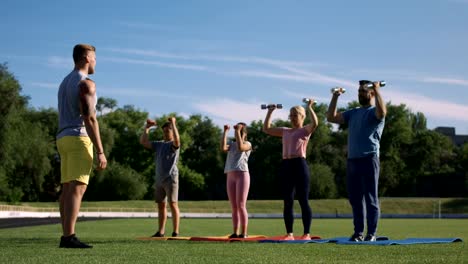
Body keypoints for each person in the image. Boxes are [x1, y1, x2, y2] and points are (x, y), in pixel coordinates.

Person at [56, 44, 107, 248]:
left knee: (68, 188)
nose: (95, 62)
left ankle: (66, 234)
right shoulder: (86, 83)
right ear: (87, 58)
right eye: (94, 58)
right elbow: (90, 118)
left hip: (63, 138)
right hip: (78, 138)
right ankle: (69, 237)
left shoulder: (65, 81)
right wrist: (101, 151)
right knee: (78, 188)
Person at [326, 80, 386, 242]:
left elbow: (382, 113)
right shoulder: (354, 112)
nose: (360, 94)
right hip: (353, 160)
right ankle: (358, 233)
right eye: (359, 92)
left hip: (369, 158)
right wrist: (335, 97)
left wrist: (377, 90)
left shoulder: (375, 111)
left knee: (371, 198)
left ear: (371, 94)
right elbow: (331, 117)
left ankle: (371, 233)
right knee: (355, 199)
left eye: (363, 92)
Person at [263, 99, 318, 240]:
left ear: (302, 116)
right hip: (286, 166)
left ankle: (306, 234)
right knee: (288, 201)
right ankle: (290, 234)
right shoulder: (285, 131)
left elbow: (315, 123)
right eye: (291, 115)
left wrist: (309, 107)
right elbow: (266, 129)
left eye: (295, 115)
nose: (292, 118)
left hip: (300, 165)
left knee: (303, 200)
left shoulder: (305, 130)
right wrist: (270, 111)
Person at [140, 117, 181, 237]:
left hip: (171, 178)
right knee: (161, 205)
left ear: (172, 131)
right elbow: (144, 142)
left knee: (173, 204)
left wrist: (173, 123)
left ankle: (175, 232)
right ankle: (161, 232)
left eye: (167, 131)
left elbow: (178, 140)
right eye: (164, 131)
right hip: (159, 179)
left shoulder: (173, 144)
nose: (165, 133)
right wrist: (147, 128)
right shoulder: (159, 145)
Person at [220, 122, 252, 238]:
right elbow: (223, 148)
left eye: (241, 130)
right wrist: (225, 132)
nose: (238, 132)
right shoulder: (232, 144)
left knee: (241, 205)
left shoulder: (247, 144)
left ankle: (244, 233)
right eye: (237, 130)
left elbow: (241, 147)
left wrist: (238, 131)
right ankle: (235, 232)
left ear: (244, 133)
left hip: (242, 175)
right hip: (230, 175)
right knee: (234, 206)